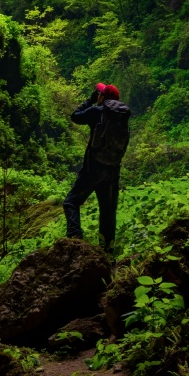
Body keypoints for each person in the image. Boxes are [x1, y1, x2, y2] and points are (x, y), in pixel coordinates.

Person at [63, 82, 130, 250]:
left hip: (93, 168)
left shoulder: (97, 111)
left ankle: (75, 241)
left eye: (99, 94)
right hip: (113, 171)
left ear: (102, 97)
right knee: (108, 213)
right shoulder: (123, 116)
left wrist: (90, 100)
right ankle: (107, 252)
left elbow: (75, 116)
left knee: (71, 202)